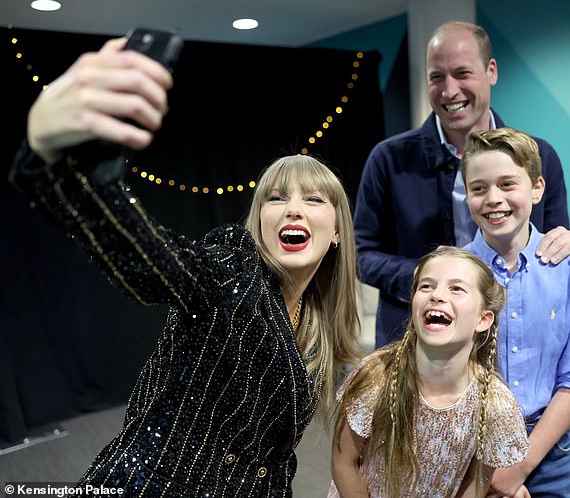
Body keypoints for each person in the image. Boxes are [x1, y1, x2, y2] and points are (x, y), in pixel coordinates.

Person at [9, 37, 361, 496]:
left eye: (313, 200)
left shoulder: (314, 323)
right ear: (258, 221)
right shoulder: (233, 268)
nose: (292, 210)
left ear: (336, 232)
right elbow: (154, 260)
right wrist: (49, 155)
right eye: (276, 198)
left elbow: (269, 459)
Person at [353, 21, 570, 348]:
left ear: (491, 71)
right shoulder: (388, 159)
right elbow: (361, 254)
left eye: (462, 73)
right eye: (437, 77)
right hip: (413, 343)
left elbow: (552, 247)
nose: (449, 91)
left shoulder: (541, 157)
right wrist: (432, 279)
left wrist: (568, 244)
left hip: (515, 342)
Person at [461, 128, 570, 497]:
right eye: (478, 188)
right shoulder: (453, 270)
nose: (494, 199)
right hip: (470, 449)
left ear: (537, 188)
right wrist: (490, 470)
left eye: (508, 184)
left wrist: (518, 468)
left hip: (551, 451)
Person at [328, 246, 530, 497]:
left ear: (483, 319)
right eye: (426, 286)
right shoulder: (376, 376)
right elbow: (343, 461)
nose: (436, 295)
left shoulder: (495, 405)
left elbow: (475, 486)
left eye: (456, 288)